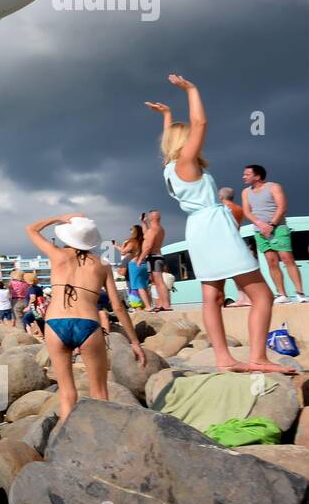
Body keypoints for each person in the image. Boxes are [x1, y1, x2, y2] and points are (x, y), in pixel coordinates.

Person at [146, 76, 294, 373]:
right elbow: (200, 124)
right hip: (215, 225)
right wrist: (191, 90)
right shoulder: (187, 161)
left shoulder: (170, 168)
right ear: (183, 142)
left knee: (211, 296)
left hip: (197, 228)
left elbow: (170, 144)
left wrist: (167, 117)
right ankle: (258, 358)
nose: (192, 140)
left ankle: (224, 359)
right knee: (262, 295)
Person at [27, 214, 145, 420]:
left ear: (68, 236)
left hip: (55, 324)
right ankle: (98, 445)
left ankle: (65, 445)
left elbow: (31, 229)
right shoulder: (102, 265)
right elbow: (117, 307)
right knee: (100, 394)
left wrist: (58, 218)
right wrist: (134, 342)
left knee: (66, 394)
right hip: (88, 324)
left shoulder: (57, 255)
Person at [242, 164, 305, 303]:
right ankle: (282, 294)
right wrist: (260, 225)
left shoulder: (274, 187)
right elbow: (247, 212)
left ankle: (300, 293)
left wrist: (271, 225)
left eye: (247, 174)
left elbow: (282, 207)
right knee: (271, 262)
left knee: (287, 258)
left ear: (257, 176)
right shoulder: (246, 192)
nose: (244, 177)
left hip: (279, 228)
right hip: (260, 231)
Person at [120, 224, 152, 311]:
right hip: (144, 264)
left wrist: (123, 244)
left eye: (131, 230)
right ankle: (149, 305)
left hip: (135, 264)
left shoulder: (132, 242)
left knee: (138, 286)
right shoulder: (144, 241)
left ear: (134, 232)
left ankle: (147, 307)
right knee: (144, 286)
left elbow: (123, 252)